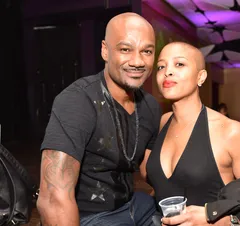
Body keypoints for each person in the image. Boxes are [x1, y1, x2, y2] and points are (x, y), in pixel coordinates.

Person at [37, 12, 162, 226]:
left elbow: (150, 170)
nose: (138, 61)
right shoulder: (77, 101)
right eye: (125, 49)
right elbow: (53, 198)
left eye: (147, 51)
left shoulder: (150, 106)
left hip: (134, 205)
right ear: (105, 50)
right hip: (89, 217)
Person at [145, 42, 240, 226]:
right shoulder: (162, 123)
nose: (167, 71)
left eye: (179, 64)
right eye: (161, 66)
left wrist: (221, 221)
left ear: (200, 77)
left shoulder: (231, 132)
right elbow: (168, 187)